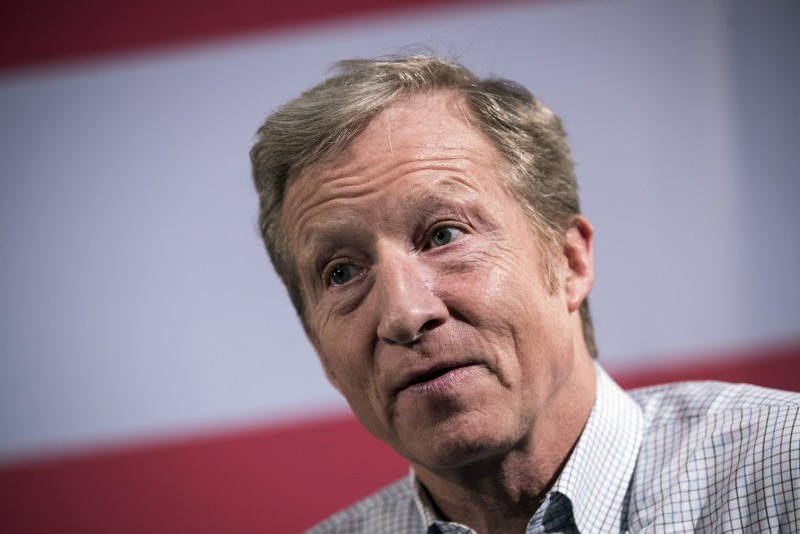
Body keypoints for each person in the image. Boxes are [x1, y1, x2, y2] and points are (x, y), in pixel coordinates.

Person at [250, 54, 799, 533]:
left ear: (568, 262)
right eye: (342, 273)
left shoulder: (784, 465)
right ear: (320, 349)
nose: (404, 313)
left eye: (444, 235)